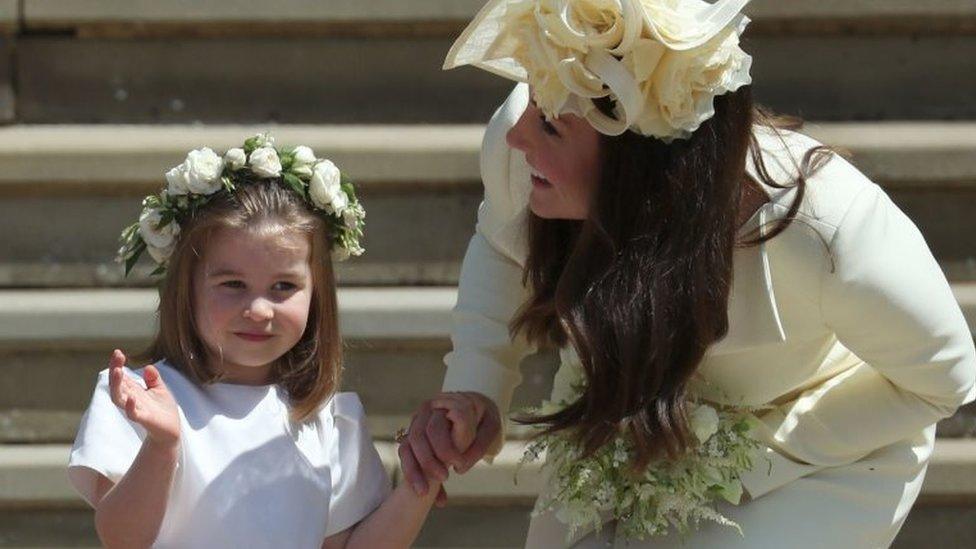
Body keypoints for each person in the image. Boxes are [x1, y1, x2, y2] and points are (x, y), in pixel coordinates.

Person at [399, 0, 976, 547]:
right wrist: (476, 385)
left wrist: (745, 454)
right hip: (634, 408)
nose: (519, 136)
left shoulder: (825, 229)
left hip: (822, 454)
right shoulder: (522, 153)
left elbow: (945, 380)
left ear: (641, 163)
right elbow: (503, 247)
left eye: (550, 126)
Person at [67, 135, 474, 548]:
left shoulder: (329, 419)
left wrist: (424, 476)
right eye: (233, 284)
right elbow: (121, 537)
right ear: (185, 287)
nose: (259, 309)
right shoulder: (143, 400)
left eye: (283, 286)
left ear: (317, 294)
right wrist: (161, 445)